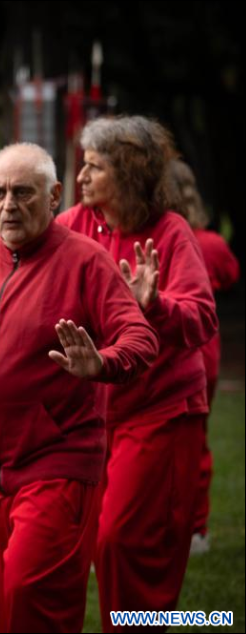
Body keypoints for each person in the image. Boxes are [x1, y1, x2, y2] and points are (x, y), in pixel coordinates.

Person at [0, 143, 158, 632]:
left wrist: (101, 363)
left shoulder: (85, 260)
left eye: (23, 192)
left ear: (55, 195)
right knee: (3, 610)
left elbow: (141, 338)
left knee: (30, 598)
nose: (9, 204)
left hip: (59, 468)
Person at [57, 116, 217, 632]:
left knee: (121, 540)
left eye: (95, 166)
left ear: (126, 173)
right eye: (82, 164)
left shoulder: (171, 232)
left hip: (161, 413)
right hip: (94, 415)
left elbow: (203, 318)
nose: (81, 177)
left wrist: (157, 304)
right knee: (87, 542)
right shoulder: (73, 225)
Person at [167, 159, 240, 554]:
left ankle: (187, 527)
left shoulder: (167, 241)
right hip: (204, 351)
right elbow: (229, 276)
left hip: (179, 349)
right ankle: (196, 527)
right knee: (197, 439)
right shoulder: (211, 244)